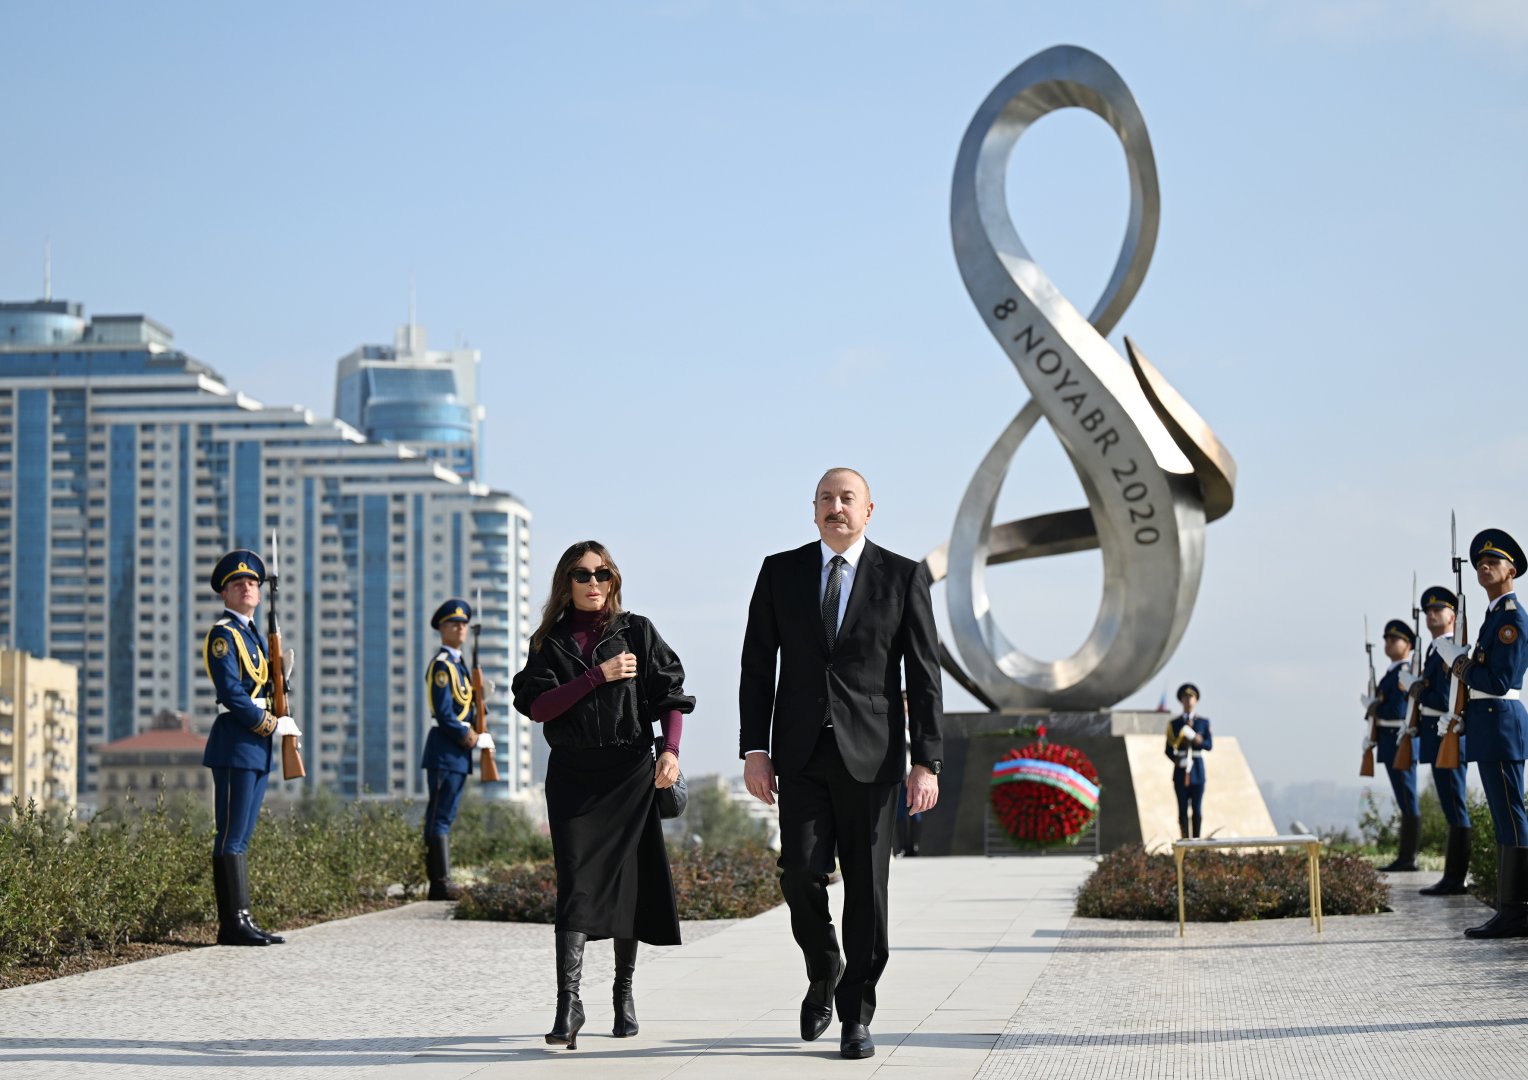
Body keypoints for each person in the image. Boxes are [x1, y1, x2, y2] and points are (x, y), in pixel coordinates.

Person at [739, 467, 943, 1061]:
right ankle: (825, 964)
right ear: (813, 509)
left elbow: (924, 675)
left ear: (868, 509)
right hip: (800, 754)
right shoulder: (779, 572)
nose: (836, 507)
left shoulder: (902, 575)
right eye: (826, 498)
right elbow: (758, 665)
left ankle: (856, 1014)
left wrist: (926, 761)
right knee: (799, 872)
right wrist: (755, 748)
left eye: (847, 498)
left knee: (867, 890)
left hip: (874, 758)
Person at [511, 541, 693, 1048]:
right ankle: (568, 1004)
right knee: (575, 884)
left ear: (613, 580)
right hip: (573, 777)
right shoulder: (548, 642)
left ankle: (623, 992)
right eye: (582, 575)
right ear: (565, 583)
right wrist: (598, 676)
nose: (594, 583)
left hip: (630, 773)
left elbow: (670, 695)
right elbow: (539, 708)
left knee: (628, 884)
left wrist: (670, 751)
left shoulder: (637, 631)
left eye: (603, 573)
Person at [201, 549, 300, 946]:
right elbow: (231, 691)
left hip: (256, 744)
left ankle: (242, 918)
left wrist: (281, 688)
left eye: (252, 583)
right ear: (224, 593)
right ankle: (232, 924)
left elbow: (262, 685)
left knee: (241, 836)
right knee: (230, 835)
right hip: (236, 740)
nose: (247, 587)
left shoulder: (255, 636)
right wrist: (271, 723)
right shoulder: (223, 635)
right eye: (237, 583)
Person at [1434, 528, 1528, 938]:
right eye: (1480, 564)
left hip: (1502, 723)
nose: (1484, 567)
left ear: (1512, 570)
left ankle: (1517, 911)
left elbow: (1500, 680)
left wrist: (1459, 663)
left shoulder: (1511, 619)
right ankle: (1511, 909)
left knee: (1511, 816)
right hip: (1489, 724)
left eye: (1493, 561)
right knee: (1504, 817)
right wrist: (1462, 718)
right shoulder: (1493, 617)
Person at [420, 598, 495, 901]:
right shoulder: (442, 666)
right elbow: (444, 714)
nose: (461, 628)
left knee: (446, 817)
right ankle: (439, 883)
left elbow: (465, 708)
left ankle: (441, 881)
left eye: (464, 624)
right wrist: (472, 737)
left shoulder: (460, 666)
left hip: (457, 754)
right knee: (438, 817)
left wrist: (480, 711)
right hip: (445, 750)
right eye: (454, 624)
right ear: (442, 628)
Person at [1405, 586, 1472, 896]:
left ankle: (1456, 878)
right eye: (1428, 611)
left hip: (1448, 735)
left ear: (1453, 616)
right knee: (1449, 805)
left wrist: (1418, 690)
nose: (1431, 614)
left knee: (1455, 806)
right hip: (1437, 735)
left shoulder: (1448, 649)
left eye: (1438, 610)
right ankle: (1451, 876)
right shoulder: (1434, 650)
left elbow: (1448, 697)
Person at [1369, 619, 1420, 871]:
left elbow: (1398, 709)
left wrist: (1375, 708)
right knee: (1403, 799)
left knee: (1408, 799)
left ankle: (1408, 858)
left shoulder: (1404, 672)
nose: (1388, 643)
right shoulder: (1392, 673)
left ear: (1408, 645)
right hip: (1391, 741)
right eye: (1387, 639)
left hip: (1401, 741)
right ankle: (1405, 856)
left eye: (1394, 639)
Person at [1164, 683, 1212, 838]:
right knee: (1182, 809)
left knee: (1197, 809)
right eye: (1185, 697)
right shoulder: (1175, 724)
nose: (1188, 700)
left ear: (1196, 700)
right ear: (1181, 700)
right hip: (1181, 770)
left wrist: (1198, 740)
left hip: (1197, 769)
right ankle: (1185, 840)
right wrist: (1177, 760)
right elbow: (1168, 749)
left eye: (1191, 697)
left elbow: (1209, 745)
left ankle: (1196, 841)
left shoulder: (1203, 722)